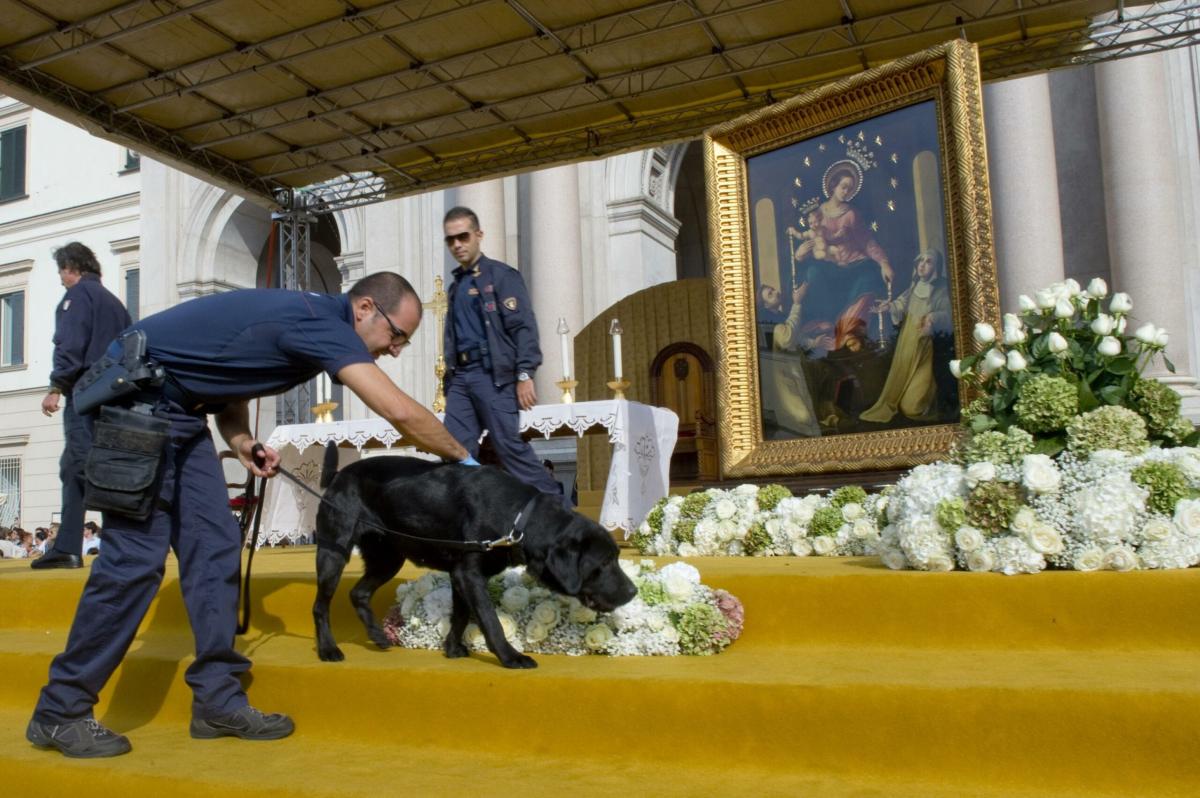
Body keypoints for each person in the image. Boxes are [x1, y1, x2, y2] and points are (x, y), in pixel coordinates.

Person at [28, 271, 471, 759]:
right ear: (364, 308)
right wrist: (466, 462)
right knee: (133, 563)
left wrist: (242, 442)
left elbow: (228, 393)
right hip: (135, 407)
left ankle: (217, 700)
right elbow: (399, 412)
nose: (395, 349)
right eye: (397, 335)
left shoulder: (304, 320)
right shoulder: (322, 323)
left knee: (216, 549)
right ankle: (60, 711)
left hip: (180, 417)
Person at [440, 206, 566, 505]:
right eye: (450, 240)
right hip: (461, 379)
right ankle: (467, 521)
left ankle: (562, 515)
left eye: (463, 236)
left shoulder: (502, 276)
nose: (457, 244)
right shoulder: (456, 286)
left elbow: (523, 327)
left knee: (509, 448)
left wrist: (525, 373)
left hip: (493, 378)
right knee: (452, 451)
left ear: (478, 235)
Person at [34, 242, 132, 570]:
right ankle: (107, 544)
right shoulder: (116, 303)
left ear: (72, 268)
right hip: (117, 394)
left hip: (86, 391)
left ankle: (70, 547)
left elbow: (70, 343)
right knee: (95, 465)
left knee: (80, 465)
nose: (61, 279)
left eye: (61, 271)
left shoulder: (77, 298)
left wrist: (56, 387)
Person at [788, 161, 894, 345]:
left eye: (851, 189)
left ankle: (849, 331)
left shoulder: (852, 214)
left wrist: (883, 263)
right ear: (833, 185)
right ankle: (825, 325)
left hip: (854, 265)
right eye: (844, 187)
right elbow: (814, 242)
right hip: (830, 267)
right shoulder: (818, 213)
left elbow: (867, 241)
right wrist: (800, 253)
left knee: (870, 275)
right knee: (813, 272)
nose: (847, 192)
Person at [860, 249, 952, 424]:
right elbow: (902, 304)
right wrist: (889, 307)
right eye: (921, 261)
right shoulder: (915, 284)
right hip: (907, 339)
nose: (922, 265)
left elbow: (947, 314)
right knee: (899, 378)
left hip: (926, 345)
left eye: (928, 262)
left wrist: (933, 318)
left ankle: (931, 397)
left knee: (912, 407)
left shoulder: (940, 288)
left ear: (936, 267)